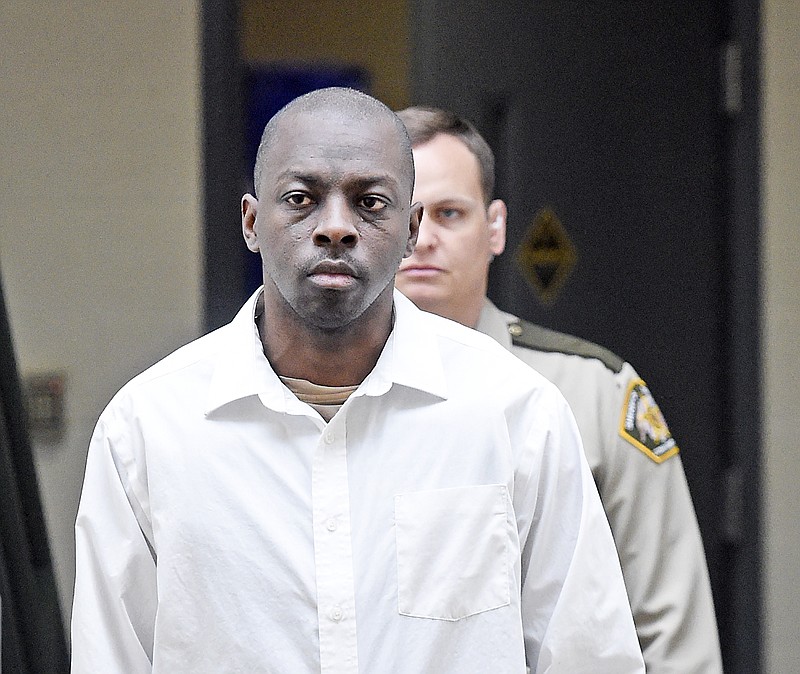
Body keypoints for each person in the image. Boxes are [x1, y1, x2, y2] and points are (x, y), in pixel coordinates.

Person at [70, 87, 645, 673]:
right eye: (301, 199)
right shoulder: (148, 429)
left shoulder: (512, 412)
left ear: (411, 228)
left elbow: (589, 658)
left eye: (370, 203)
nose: (336, 228)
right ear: (250, 221)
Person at [395, 105, 724, 673]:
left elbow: (670, 631)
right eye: (402, 214)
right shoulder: (315, 396)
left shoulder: (591, 391)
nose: (423, 239)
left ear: (495, 227)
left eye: (450, 213)